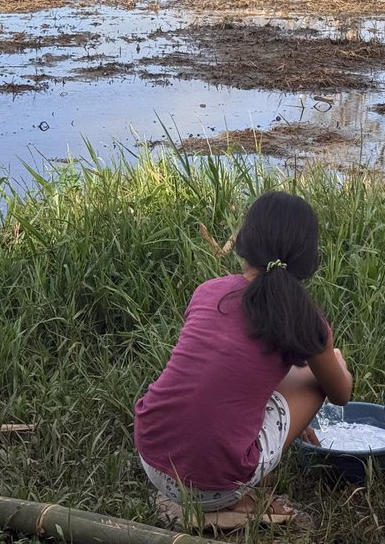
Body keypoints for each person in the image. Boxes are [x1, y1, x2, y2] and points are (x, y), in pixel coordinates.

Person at [134, 191, 353, 524]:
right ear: (308, 260)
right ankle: (243, 500)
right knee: (318, 377)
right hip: (212, 486)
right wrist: (335, 359)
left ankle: (229, 498)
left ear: (244, 246)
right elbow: (341, 394)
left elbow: (232, 368)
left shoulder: (208, 290)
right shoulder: (307, 322)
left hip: (151, 458)